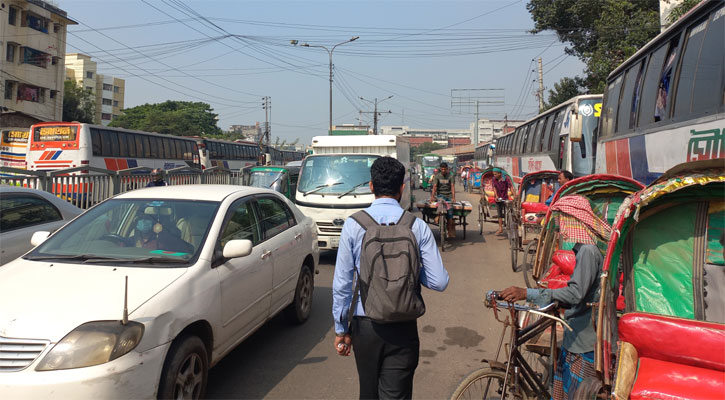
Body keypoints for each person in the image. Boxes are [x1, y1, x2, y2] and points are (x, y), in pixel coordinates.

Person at [332, 157, 449, 400]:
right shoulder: (416, 226)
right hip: (403, 324)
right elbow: (439, 281)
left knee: (368, 393)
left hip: (365, 325)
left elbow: (342, 284)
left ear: (371, 186)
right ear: (402, 188)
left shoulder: (354, 225)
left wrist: (341, 329)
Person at [499, 195, 611, 400]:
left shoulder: (588, 251)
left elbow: (576, 294)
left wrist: (527, 293)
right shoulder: (583, 249)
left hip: (583, 339)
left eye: (563, 219)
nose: (560, 226)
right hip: (575, 332)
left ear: (574, 220)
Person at [430, 162, 457, 238]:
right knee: (440, 204)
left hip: (449, 196)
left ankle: (449, 229)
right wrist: (432, 197)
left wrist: (453, 197)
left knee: (450, 216)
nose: (443, 170)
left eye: (445, 169)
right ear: (440, 169)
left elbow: (452, 187)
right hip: (440, 196)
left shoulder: (451, 176)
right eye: (442, 169)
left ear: (447, 169)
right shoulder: (437, 176)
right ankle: (438, 215)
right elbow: (435, 187)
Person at [491, 168, 513, 235]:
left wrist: (514, 195)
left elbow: (510, 187)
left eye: (495, 174)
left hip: (505, 197)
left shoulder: (506, 179)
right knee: (499, 214)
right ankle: (500, 228)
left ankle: (509, 224)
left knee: (509, 211)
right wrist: (496, 196)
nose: (494, 175)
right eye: (493, 174)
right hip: (498, 199)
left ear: (500, 174)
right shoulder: (494, 179)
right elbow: (494, 187)